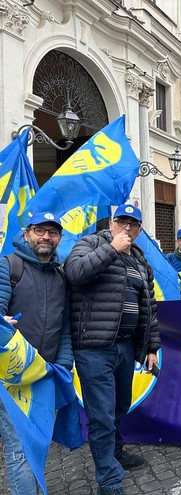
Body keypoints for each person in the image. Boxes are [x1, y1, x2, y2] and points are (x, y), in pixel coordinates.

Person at [64, 204, 160, 495]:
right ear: (112, 223)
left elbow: (149, 307)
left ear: (140, 230)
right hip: (94, 348)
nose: (127, 228)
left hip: (125, 347)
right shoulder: (92, 243)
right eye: (122, 222)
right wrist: (112, 249)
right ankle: (108, 480)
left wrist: (151, 347)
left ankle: (115, 452)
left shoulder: (141, 260)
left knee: (118, 407)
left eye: (133, 224)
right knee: (101, 415)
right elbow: (75, 273)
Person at [0, 212, 72, 495]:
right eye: (40, 231)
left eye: (52, 233)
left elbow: (64, 326)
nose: (46, 237)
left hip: (44, 376)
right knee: (21, 448)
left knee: (38, 445)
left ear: (59, 239)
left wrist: (64, 364)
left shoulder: (61, 275)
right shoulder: (8, 266)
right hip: (11, 376)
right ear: (27, 233)